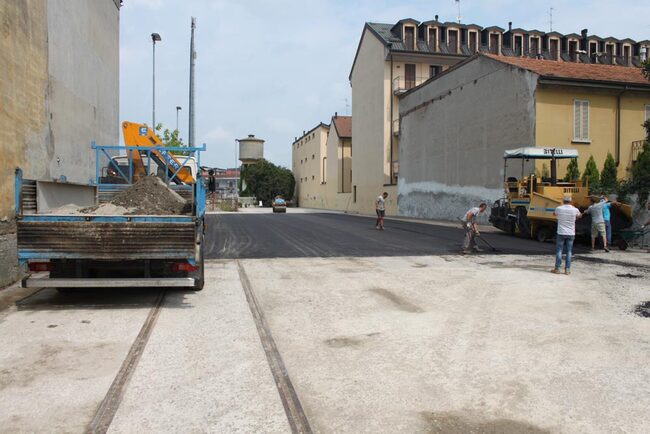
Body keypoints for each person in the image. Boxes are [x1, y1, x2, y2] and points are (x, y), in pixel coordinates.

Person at [552, 196, 582, 275]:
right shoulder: (575, 209)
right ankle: (567, 270)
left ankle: (557, 268)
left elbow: (554, 214)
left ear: (563, 201)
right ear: (571, 201)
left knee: (559, 250)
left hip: (561, 232)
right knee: (569, 251)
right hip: (571, 233)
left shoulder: (559, 208)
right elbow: (580, 216)